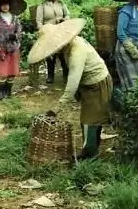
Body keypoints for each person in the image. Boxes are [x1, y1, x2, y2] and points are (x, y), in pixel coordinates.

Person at [29, 19, 112, 159]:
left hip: (97, 84)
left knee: (91, 120)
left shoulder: (77, 50)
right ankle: (91, 148)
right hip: (88, 84)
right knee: (88, 118)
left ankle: (89, 154)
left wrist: (59, 107)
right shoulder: (69, 47)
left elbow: (73, 80)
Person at [34, 0, 74, 84]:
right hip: (49, 33)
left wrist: (64, 20)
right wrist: (43, 31)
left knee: (63, 53)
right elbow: (39, 21)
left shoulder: (61, 4)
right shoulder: (42, 6)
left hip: (61, 31)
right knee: (50, 54)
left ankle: (66, 74)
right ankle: (50, 75)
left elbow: (67, 15)